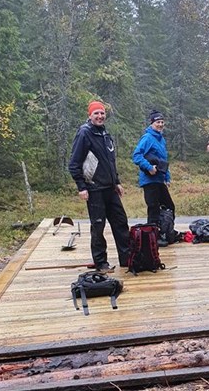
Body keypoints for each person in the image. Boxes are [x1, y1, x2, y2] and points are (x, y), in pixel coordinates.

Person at [68, 100, 130, 272]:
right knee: (98, 226)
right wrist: (81, 187)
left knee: (121, 222)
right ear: (90, 115)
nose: (100, 116)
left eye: (102, 113)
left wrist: (116, 181)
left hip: (110, 188)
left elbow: (110, 161)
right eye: (96, 113)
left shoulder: (104, 134)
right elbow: (74, 163)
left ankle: (127, 259)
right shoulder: (84, 133)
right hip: (94, 189)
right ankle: (101, 263)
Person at [132, 110, 175, 244]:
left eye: (162, 122)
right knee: (153, 208)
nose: (160, 124)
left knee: (169, 206)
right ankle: (153, 238)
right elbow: (136, 156)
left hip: (159, 179)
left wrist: (167, 177)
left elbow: (163, 160)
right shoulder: (147, 138)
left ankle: (165, 232)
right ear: (152, 123)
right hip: (149, 180)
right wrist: (149, 167)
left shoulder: (161, 139)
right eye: (157, 122)